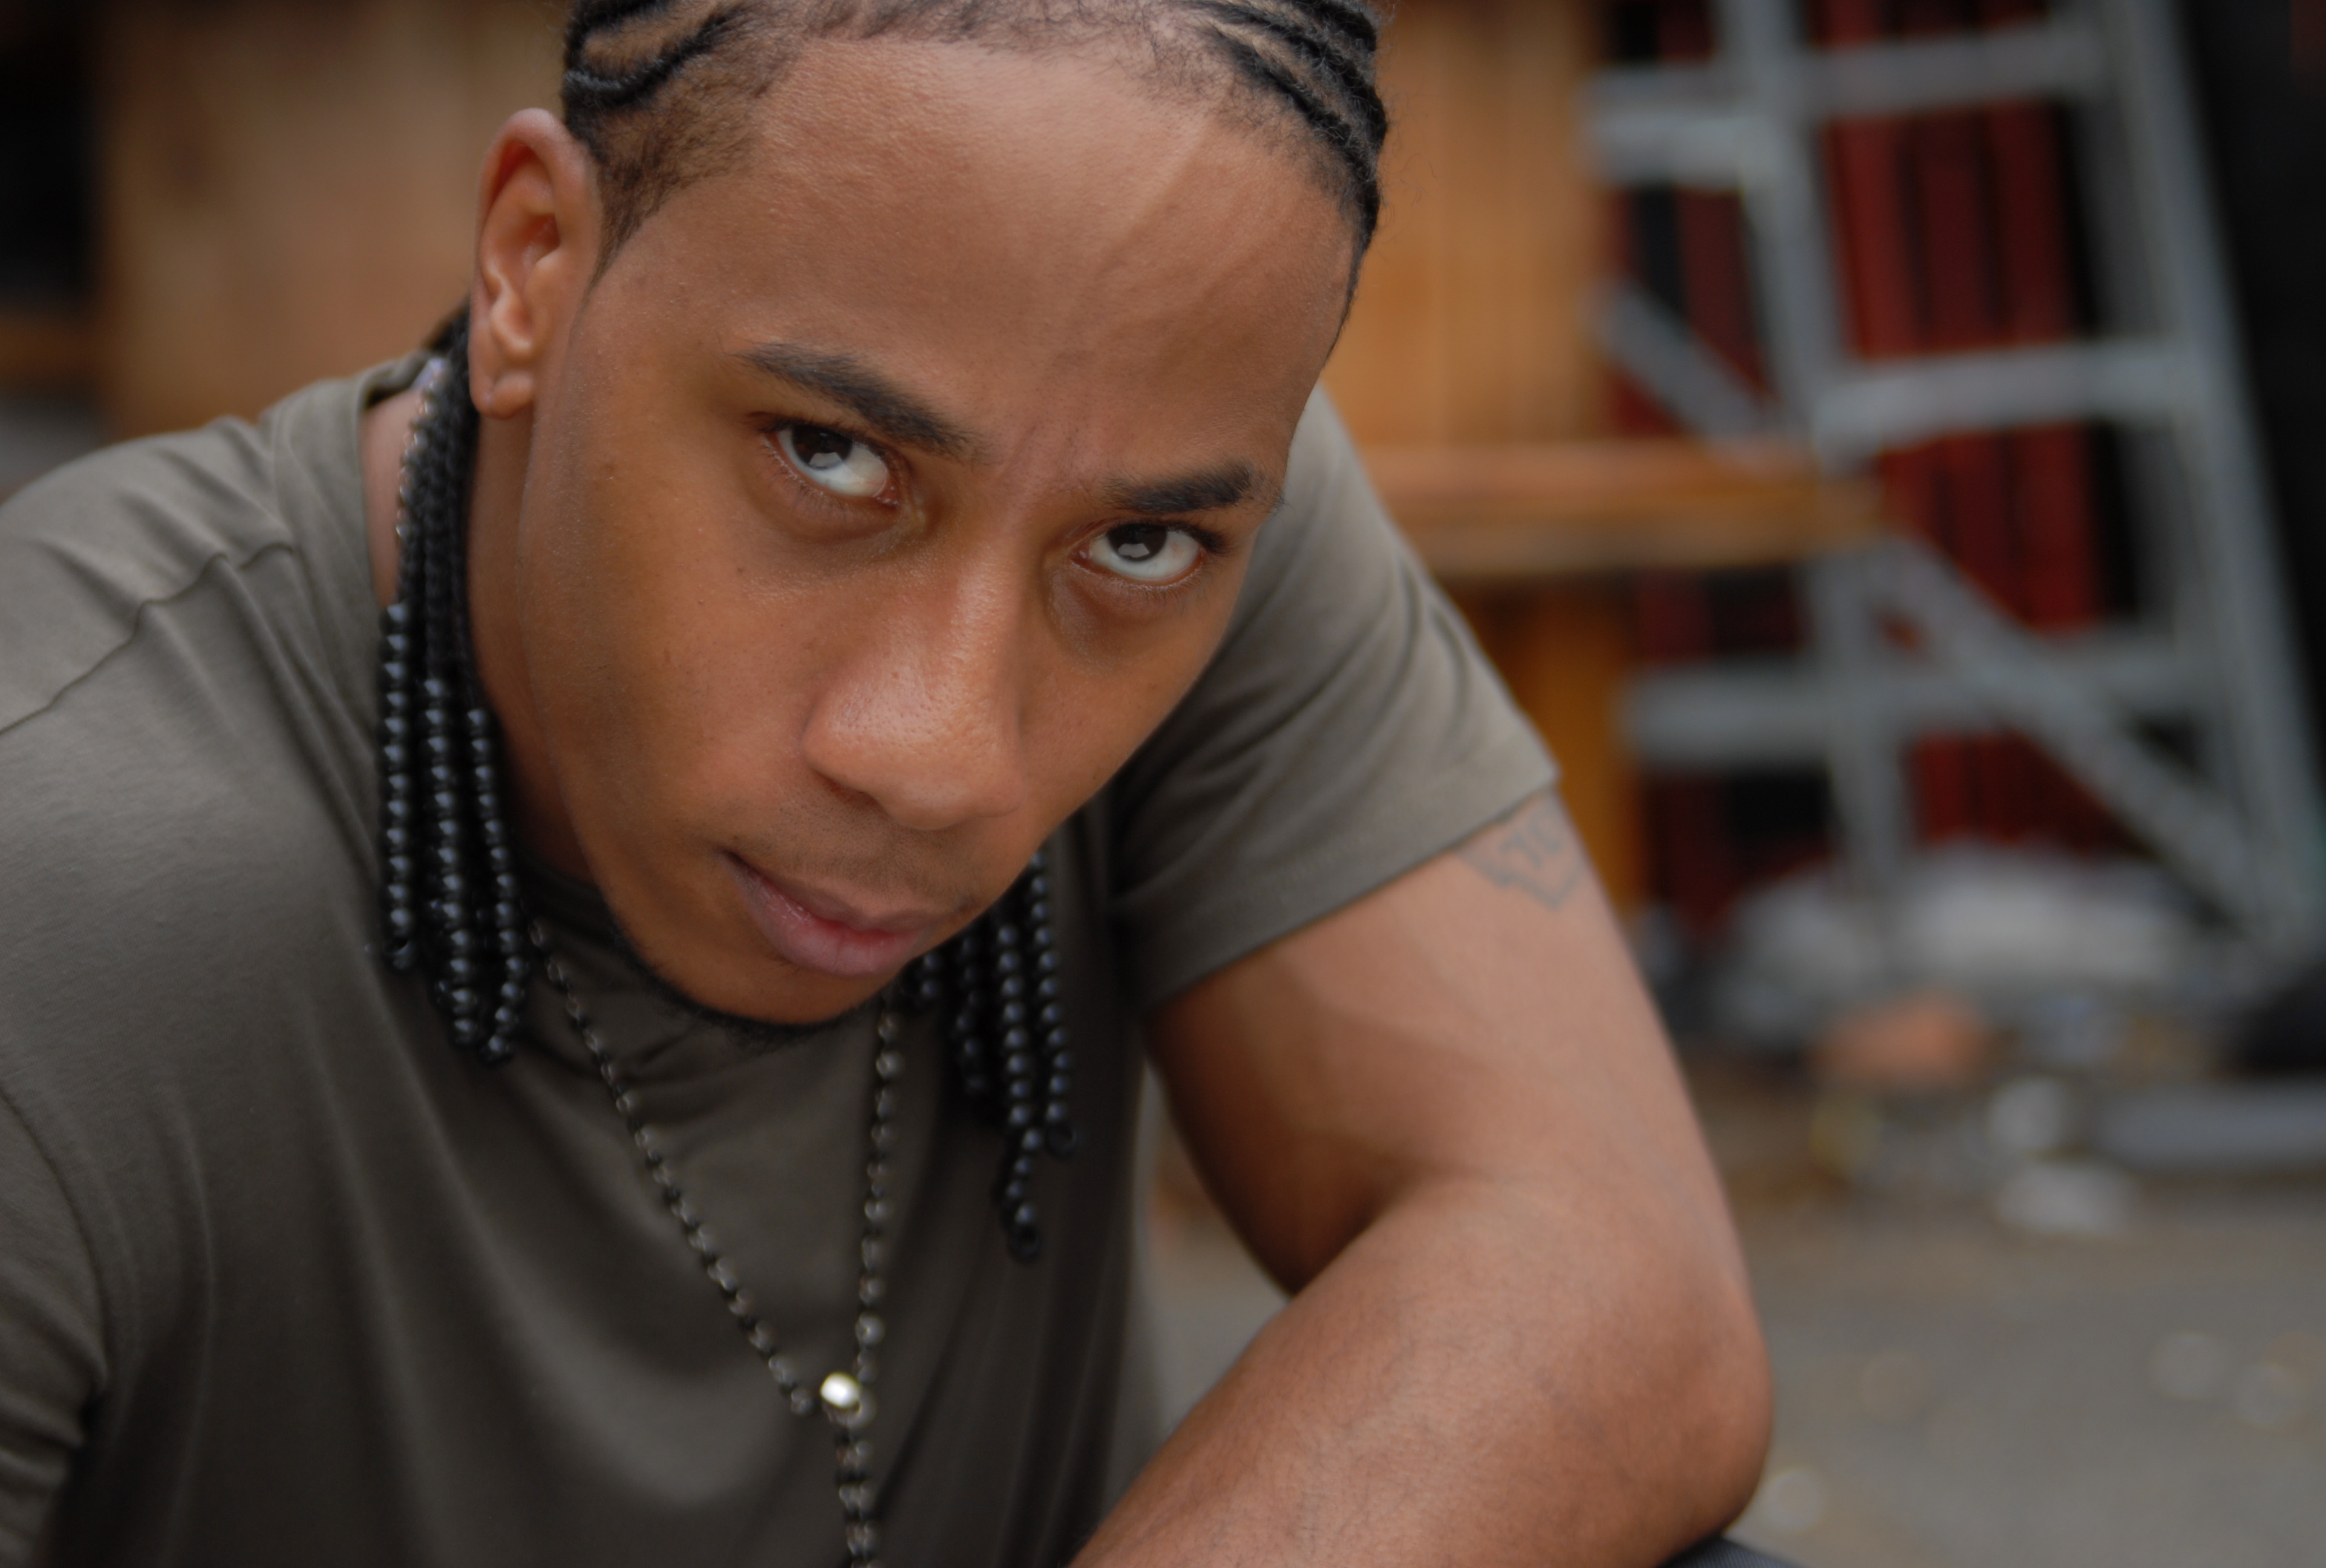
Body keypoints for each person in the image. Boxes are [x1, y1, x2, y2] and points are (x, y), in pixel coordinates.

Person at [0, 2, 1773, 1564]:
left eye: (1138, 547)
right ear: (534, 262)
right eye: (829, 457)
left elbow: (1610, 1275)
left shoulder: (1157, 491)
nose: (941, 757)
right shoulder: (60, 857)